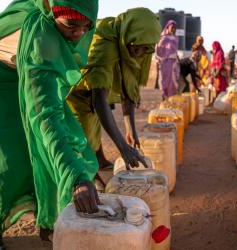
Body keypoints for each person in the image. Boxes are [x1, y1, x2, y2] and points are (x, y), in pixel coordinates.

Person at [16, 0, 100, 241]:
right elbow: (46, 118)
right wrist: (77, 178)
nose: (80, 34)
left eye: (87, 26)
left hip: (36, 82)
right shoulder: (41, 39)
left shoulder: (73, 32)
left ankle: (50, 221)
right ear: (51, 12)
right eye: (71, 25)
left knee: (73, 143)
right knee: (11, 165)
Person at [67, 8, 159, 178]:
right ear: (129, 35)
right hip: (76, 87)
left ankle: (99, 161)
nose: (137, 54)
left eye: (144, 49)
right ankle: (87, 179)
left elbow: (129, 87)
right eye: (136, 48)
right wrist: (123, 147)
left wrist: (131, 128)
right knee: (81, 135)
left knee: (94, 126)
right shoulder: (105, 43)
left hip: (94, 94)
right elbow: (99, 100)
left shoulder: (142, 47)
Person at [0, 0, 38, 248]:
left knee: (34, 152)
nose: (78, 33)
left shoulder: (77, 26)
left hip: (18, 84)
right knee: (5, 162)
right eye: (72, 26)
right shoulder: (34, 24)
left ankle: (43, 217)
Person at [156, 20, 179, 99]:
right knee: (165, 81)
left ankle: (172, 99)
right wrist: (161, 58)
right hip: (165, 63)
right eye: (172, 27)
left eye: (175, 28)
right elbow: (158, 50)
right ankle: (164, 98)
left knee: (173, 82)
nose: (173, 29)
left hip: (174, 64)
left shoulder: (176, 38)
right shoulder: (163, 38)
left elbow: (175, 51)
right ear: (168, 27)